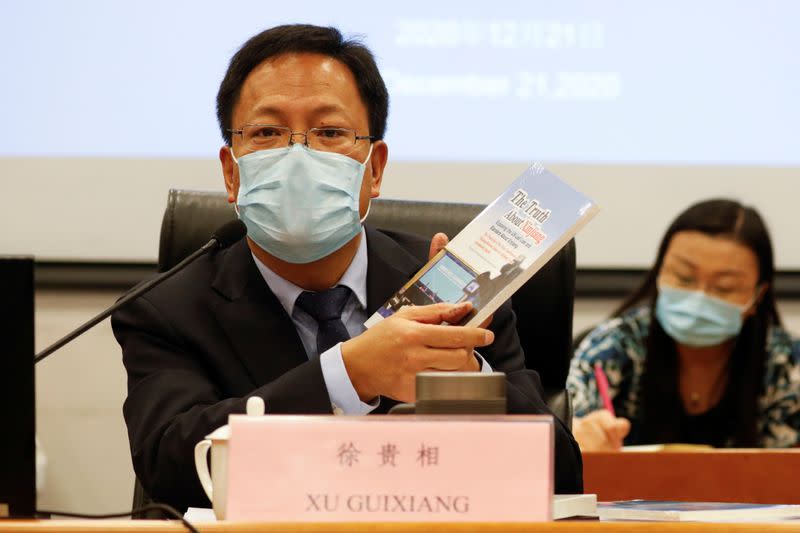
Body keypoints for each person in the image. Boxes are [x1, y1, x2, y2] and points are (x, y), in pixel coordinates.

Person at [112, 24, 582, 511]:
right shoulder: (165, 309)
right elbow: (170, 468)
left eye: (330, 132)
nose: (298, 155)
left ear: (374, 169)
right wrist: (348, 374)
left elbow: (562, 478)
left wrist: (463, 378)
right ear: (231, 172)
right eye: (267, 133)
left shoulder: (451, 288)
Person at [567, 199, 800, 451]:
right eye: (683, 277)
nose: (699, 297)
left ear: (758, 296)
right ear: (659, 271)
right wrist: (579, 434)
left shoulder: (785, 365)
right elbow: (567, 428)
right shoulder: (613, 347)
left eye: (724, 287)